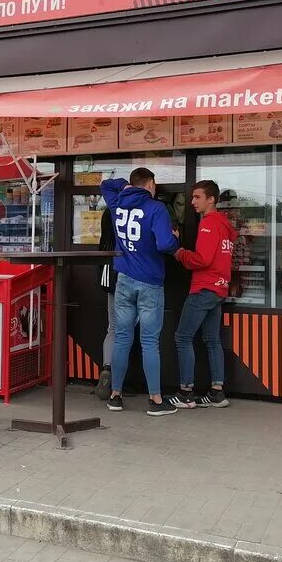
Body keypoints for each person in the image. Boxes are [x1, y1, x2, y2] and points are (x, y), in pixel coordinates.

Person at [101, 168, 179, 416]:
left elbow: (106, 184)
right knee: (149, 342)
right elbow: (165, 244)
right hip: (150, 283)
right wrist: (176, 238)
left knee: (122, 338)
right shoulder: (156, 209)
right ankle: (155, 400)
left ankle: (115, 396)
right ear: (151, 184)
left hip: (124, 279)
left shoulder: (117, 204)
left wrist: (125, 186)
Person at [169, 180, 237, 409]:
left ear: (211, 200)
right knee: (212, 339)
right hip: (219, 288)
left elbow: (202, 259)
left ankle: (185, 393)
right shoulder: (224, 224)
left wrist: (180, 253)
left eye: (197, 197)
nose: (192, 202)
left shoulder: (208, 223)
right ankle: (217, 392)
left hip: (204, 288)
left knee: (182, 337)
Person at [95, 207, 116, 401]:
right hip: (131, 274)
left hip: (109, 274)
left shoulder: (108, 212)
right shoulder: (133, 210)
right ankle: (121, 383)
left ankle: (107, 368)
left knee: (113, 328)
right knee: (133, 332)